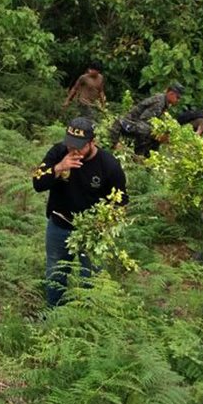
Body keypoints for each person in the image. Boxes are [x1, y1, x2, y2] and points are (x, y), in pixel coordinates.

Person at [32, 117, 128, 307]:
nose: (73, 150)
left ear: (92, 142)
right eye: (70, 145)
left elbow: (121, 202)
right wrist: (59, 167)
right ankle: (53, 314)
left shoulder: (109, 165)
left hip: (92, 232)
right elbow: (38, 183)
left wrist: (103, 224)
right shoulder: (58, 152)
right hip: (60, 224)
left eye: (79, 147)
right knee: (55, 274)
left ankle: (86, 316)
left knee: (91, 279)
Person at [109, 84, 183, 157]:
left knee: (156, 136)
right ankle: (139, 155)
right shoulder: (159, 103)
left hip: (137, 124)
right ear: (171, 94)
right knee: (148, 131)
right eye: (177, 97)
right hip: (131, 123)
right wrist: (158, 136)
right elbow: (144, 122)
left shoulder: (163, 102)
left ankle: (146, 156)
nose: (178, 100)